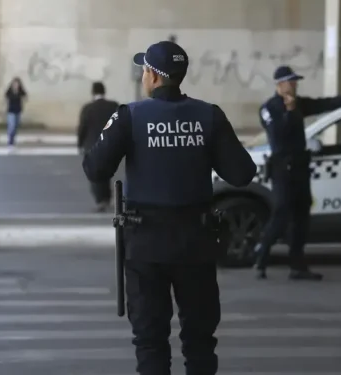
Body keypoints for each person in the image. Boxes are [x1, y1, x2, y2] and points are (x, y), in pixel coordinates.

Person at [82, 40, 256, 375]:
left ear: (152, 75)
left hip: (146, 244)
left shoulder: (129, 115)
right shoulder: (209, 115)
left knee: (150, 341)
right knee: (200, 341)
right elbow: (242, 173)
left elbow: (95, 169)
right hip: (197, 243)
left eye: (143, 70)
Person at [253, 65, 341, 280]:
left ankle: (297, 266)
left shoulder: (300, 104)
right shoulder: (269, 108)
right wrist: (289, 112)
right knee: (281, 213)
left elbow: (327, 103)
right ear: (279, 85)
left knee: (301, 217)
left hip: (300, 168)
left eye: (295, 81)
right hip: (282, 169)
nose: (294, 85)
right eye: (290, 81)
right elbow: (278, 134)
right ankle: (261, 257)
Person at [77, 81, 119, 212]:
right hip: (111, 143)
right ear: (104, 91)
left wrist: (80, 144)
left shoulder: (87, 108)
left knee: (95, 174)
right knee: (107, 172)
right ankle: (107, 198)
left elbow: (82, 128)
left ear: (93, 92)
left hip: (92, 145)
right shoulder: (113, 106)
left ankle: (101, 200)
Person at [4, 77, 27, 150]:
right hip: (11, 111)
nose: (16, 85)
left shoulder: (20, 91)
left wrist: (20, 94)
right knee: (12, 126)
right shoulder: (10, 91)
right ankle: (10, 143)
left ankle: (12, 140)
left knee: (16, 126)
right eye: (14, 83)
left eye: (17, 84)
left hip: (18, 111)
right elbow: (7, 96)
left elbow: (25, 95)